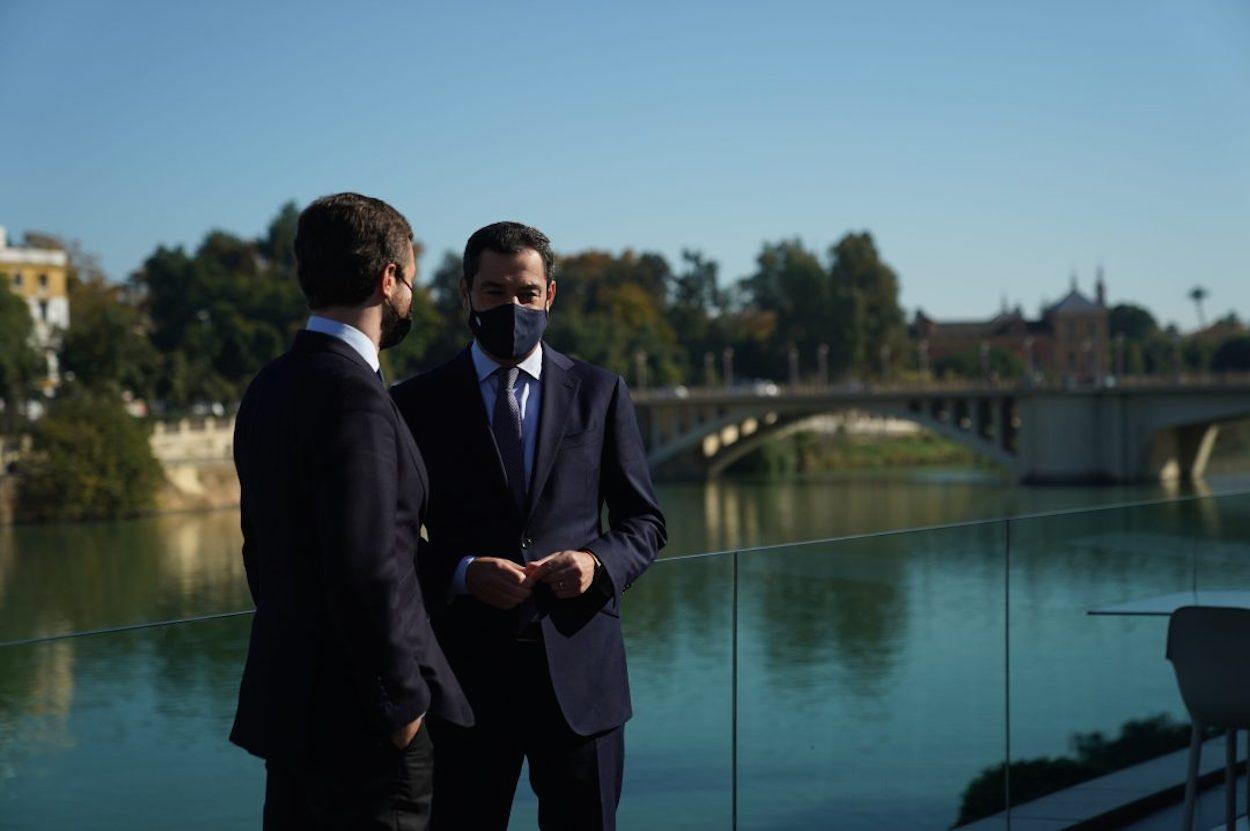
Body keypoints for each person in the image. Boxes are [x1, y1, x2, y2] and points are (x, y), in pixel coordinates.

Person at [391, 221, 667, 830]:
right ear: (465, 295)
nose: (511, 307)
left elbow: (644, 521)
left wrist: (597, 564)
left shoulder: (601, 392)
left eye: (526, 293)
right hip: (463, 684)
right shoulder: (415, 405)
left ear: (550, 295)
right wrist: (461, 573)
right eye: (493, 293)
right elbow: (390, 541)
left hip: (582, 684)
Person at [230, 193, 472, 830]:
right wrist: (402, 708)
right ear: (387, 279)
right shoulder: (353, 395)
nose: (411, 300)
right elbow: (367, 567)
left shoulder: (269, 385)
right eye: (411, 283)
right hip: (365, 729)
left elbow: (262, 550)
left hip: (294, 710)